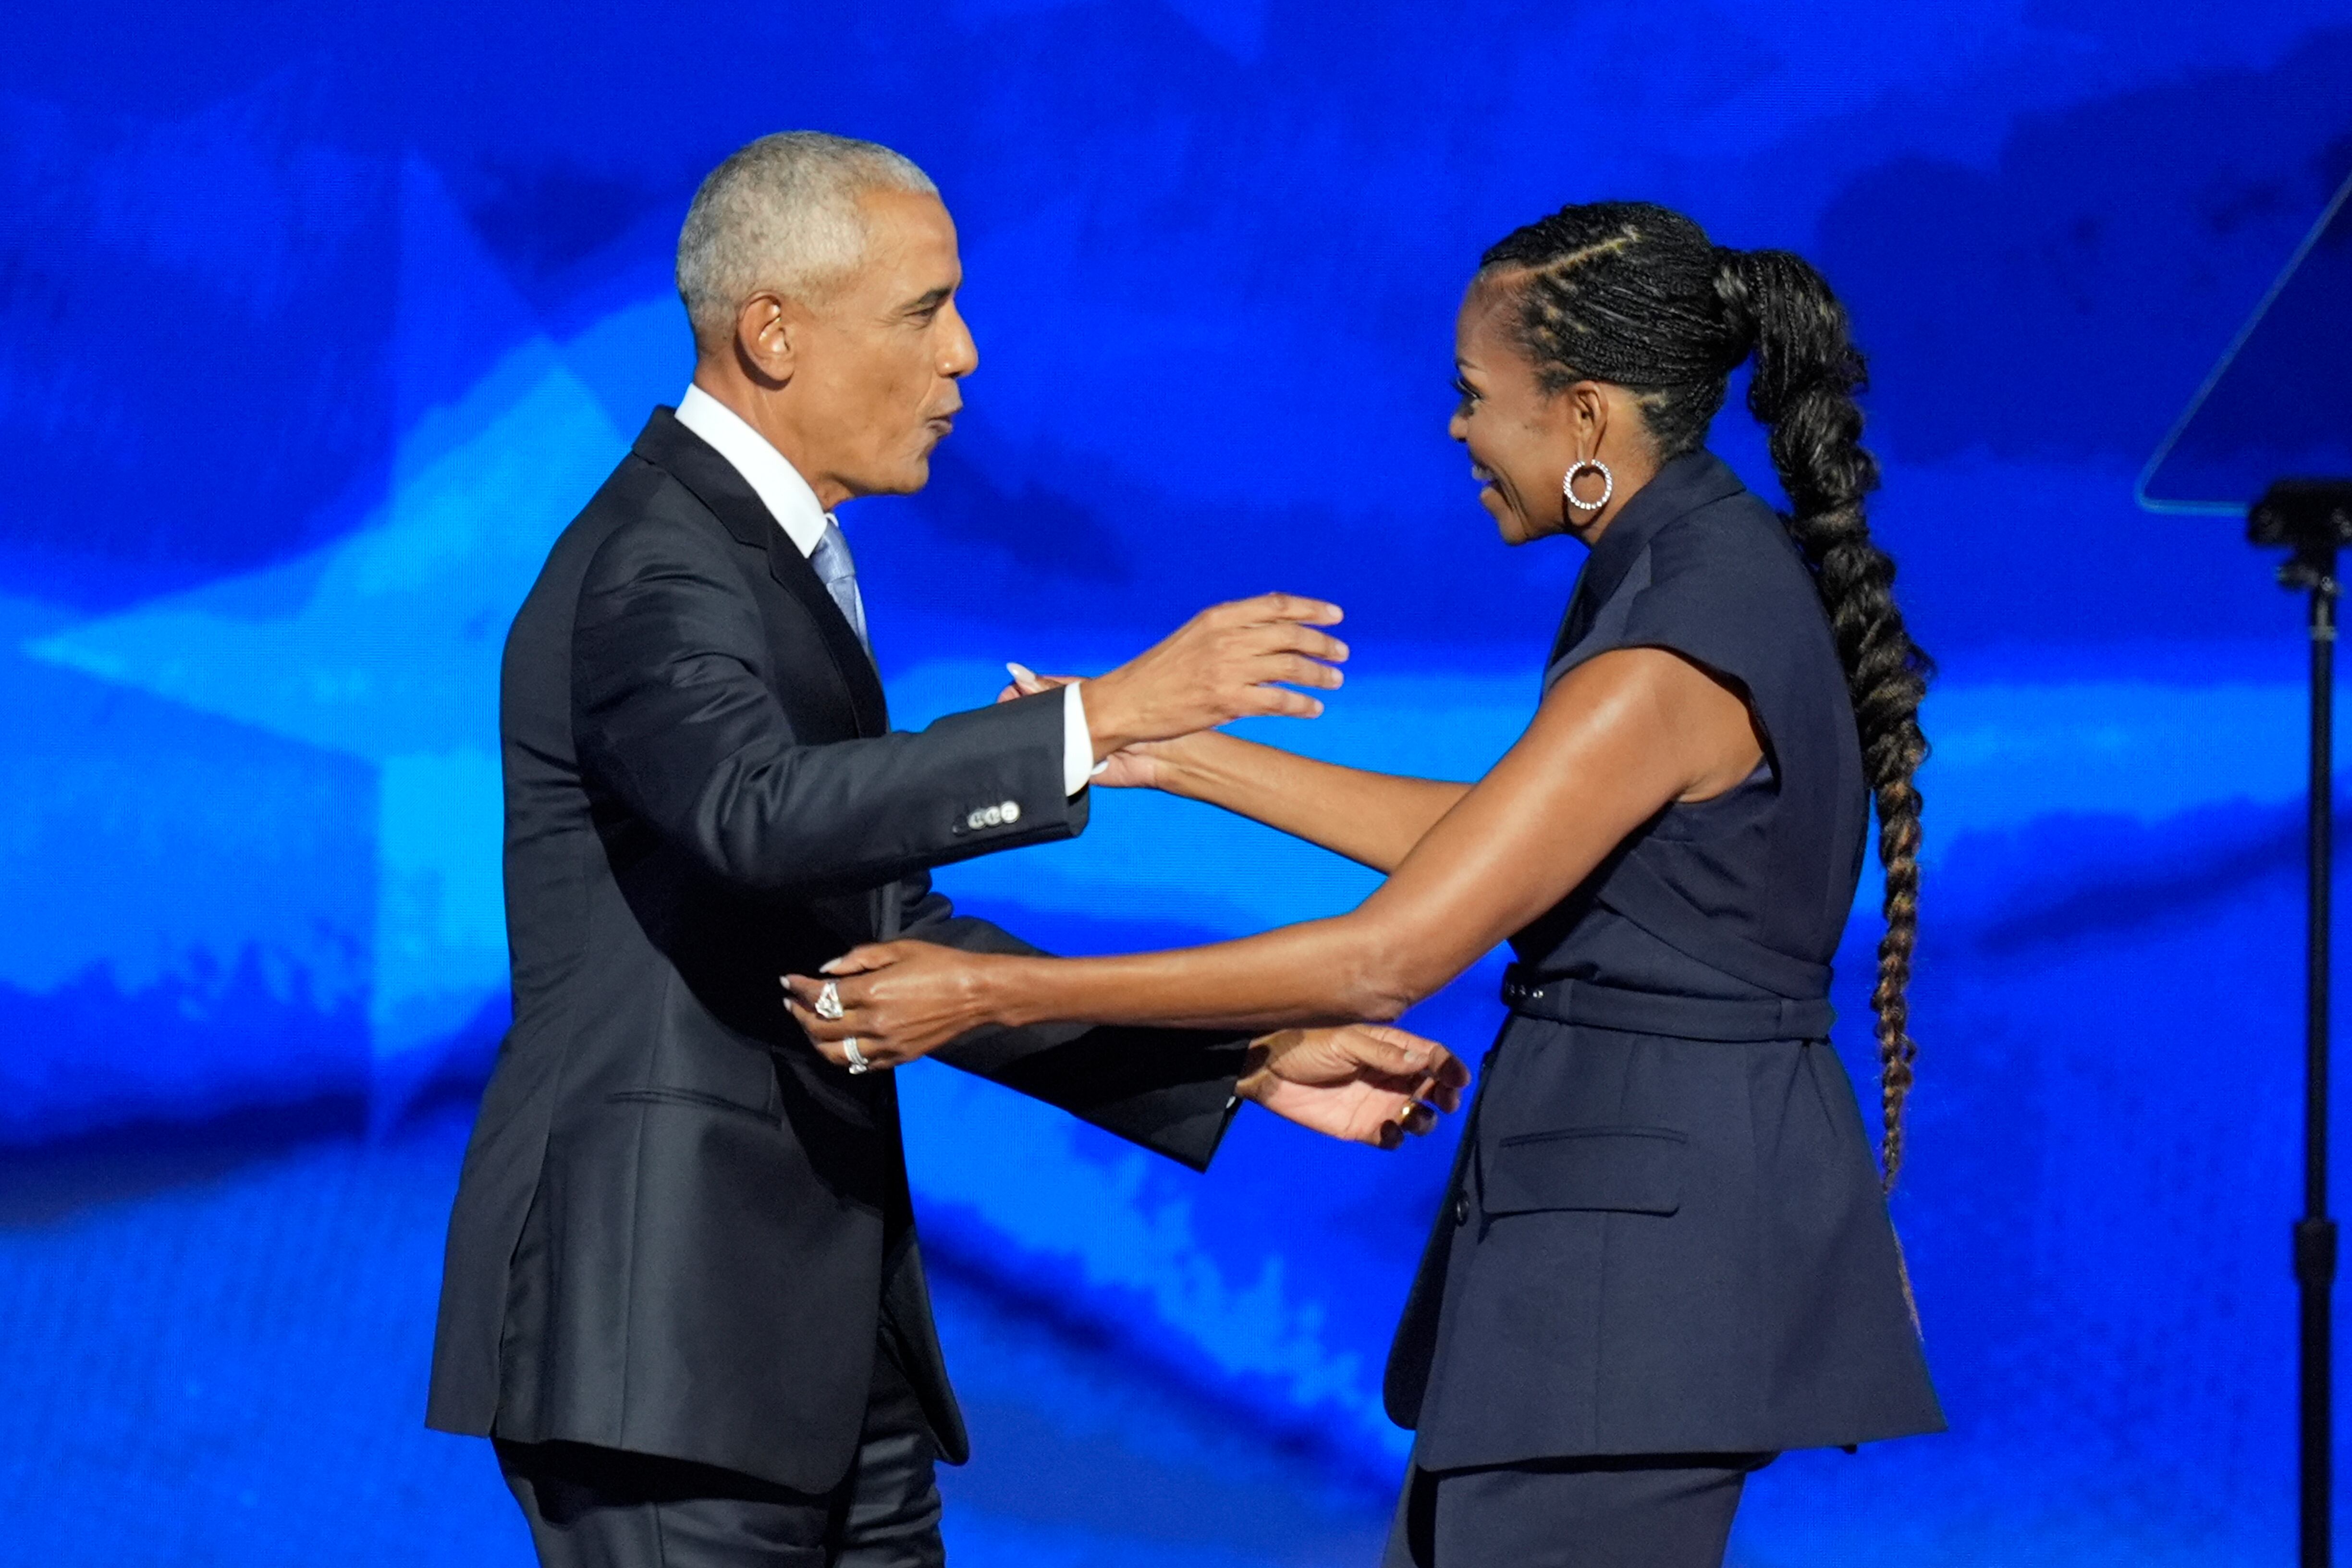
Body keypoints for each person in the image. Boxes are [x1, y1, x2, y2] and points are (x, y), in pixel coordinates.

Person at [784, 200, 1948, 1566]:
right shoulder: (1692, 572)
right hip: (1613, 1287)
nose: (1458, 430)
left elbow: (1385, 959)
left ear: (1584, 419)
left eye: (1476, 397)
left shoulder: (1676, 638)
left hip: (1633, 1299)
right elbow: (1522, 833)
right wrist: (1186, 758)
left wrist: (991, 988)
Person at [426, 131, 1467, 1568]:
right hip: (664, 1352)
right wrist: (1095, 724)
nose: (966, 354)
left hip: (824, 1357)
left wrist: (1240, 1056)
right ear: (771, 332)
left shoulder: (767, 565)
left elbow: (890, 936)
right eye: (924, 311)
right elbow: (758, 810)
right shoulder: (655, 563)